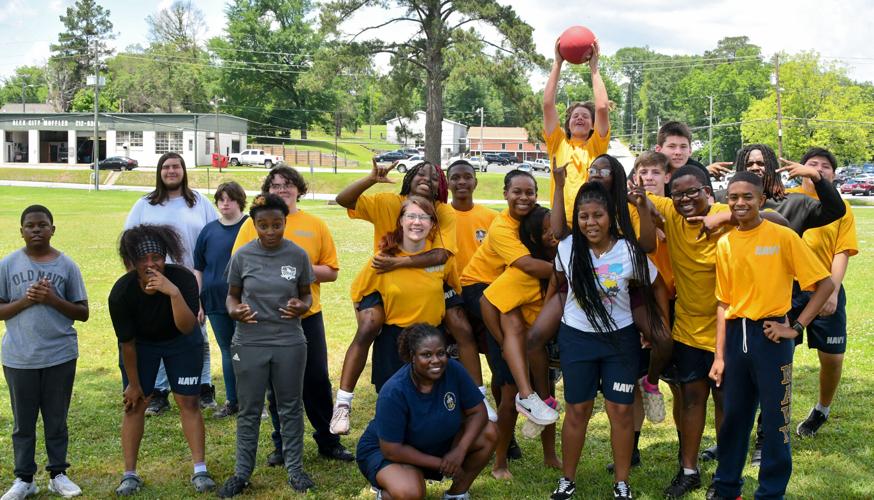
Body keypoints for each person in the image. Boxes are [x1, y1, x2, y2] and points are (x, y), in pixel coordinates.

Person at [332, 160, 488, 433]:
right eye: (419, 173)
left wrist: (400, 263)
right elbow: (343, 199)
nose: (426, 178)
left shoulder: (443, 212)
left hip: (429, 275)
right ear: (409, 178)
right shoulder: (388, 202)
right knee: (370, 326)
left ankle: (480, 398)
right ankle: (343, 403)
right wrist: (371, 179)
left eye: (433, 176)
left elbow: (441, 255)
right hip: (385, 278)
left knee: (460, 326)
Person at [709, 171, 834, 500]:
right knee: (734, 418)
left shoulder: (782, 237)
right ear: (727, 201)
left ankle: (770, 493)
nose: (740, 203)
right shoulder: (724, 244)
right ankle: (726, 488)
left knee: (776, 421)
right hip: (737, 337)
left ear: (761, 200)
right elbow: (723, 303)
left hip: (771, 338)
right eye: (733, 197)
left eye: (747, 197)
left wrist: (795, 326)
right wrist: (720, 356)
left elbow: (824, 285)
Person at [231, 166, 353, 463]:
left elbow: (332, 271)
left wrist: (295, 270)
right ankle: (281, 445)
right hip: (266, 320)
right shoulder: (252, 224)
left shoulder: (315, 224)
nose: (281, 189)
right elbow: (239, 266)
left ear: (299, 188)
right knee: (276, 385)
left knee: (315, 379)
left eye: (287, 184)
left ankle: (328, 440)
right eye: (275, 185)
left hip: (307, 316)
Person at [548, 181, 660, 500]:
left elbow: (650, 286)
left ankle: (621, 483)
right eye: (584, 216)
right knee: (578, 409)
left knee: (620, 410)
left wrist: (653, 330)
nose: (590, 223)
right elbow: (558, 285)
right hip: (577, 339)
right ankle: (567, 479)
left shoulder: (629, 250)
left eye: (597, 215)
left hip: (620, 341)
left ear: (610, 216)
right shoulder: (567, 248)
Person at [218, 194, 316, 497]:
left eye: (277, 224)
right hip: (248, 342)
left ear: (285, 222)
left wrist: (302, 306)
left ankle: (296, 470)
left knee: (290, 406)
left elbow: (307, 295)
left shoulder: (298, 255)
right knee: (248, 409)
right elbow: (232, 296)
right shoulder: (243, 256)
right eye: (263, 225)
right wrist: (234, 310)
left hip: (289, 341)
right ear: (254, 224)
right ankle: (241, 473)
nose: (270, 231)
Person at [109, 224, 215, 496]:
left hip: (181, 341)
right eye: (142, 259)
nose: (150, 264)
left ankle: (200, 470)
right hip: (141, 346)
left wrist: (173, 292)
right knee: (134, 405)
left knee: (188, 402)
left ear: (165, 256)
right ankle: (129, 475)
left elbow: (187, 327)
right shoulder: (121, 293)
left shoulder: (183, 279)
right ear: (130, 261)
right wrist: (133, 384)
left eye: (156, 257)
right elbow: (127, 344)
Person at [0, 205, 89, 500]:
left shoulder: (67, 266)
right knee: (22, 422)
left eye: (42, 225)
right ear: (21, 231)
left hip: (59, 355)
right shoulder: (7, 264)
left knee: (56, 418)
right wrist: (26, 300)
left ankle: (58, 474)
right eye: (30, 226)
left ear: (53, 229)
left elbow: (83, 311)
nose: (36, 230)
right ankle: (24, 479)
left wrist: (51, 298)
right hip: (19, 357)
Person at [356, 323, 497, 500]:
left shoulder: (453, 370)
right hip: (387, 452)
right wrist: (443, 463)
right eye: (426, 355)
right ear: (412, 357)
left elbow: (478, 412)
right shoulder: (394, 391)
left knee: (489, 433)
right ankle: (387, 491)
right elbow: (392, 449)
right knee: (411, 493)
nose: (436, 360)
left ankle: (456, 494)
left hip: (434, 444)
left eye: (441, 353)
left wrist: (460, 450)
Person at [124, 152, 218, 415]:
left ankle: (203, 387)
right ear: (159, 172)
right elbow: (129, 243)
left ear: (184, 171)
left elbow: (213, 235)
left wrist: (207, 279)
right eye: (166, 167)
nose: (171, 171)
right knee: (158, 335)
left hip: (192, 280)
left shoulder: (198, 201)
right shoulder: (145, 204)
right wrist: (138, 280)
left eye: (176, 166)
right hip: (153, 281)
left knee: (197, 334)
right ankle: (159, 392)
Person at [343, 196, 461, 394]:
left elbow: (454, 291)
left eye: (424, 217)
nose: (417, 222)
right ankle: (343, 403)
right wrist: (367, 322)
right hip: (394, 342)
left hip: (431, 339)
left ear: (432, 224)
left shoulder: (442, 259)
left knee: (432, 402)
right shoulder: (384, 260)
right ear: (401, 221)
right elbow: (358, 293)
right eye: (411, 216)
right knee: (393, 402)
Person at [787, 148, 857, 437]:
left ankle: (822, 410)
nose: (818, 169)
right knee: (779, 357)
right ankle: (771, 419)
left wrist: (832, 290)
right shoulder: (788, 199)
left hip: (825, 288)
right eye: (812, 164)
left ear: (833, 174)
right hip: (789, 290)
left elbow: (842, 250)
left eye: (825, 166)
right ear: (799, 170)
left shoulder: (840, 206)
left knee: (832, 357)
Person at [193, 182, 248, 419]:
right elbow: (199, 268)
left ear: (240, 201)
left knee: (247, 350)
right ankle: (233, 400)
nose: (225, 203)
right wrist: (198, 301)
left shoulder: (250, 226)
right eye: (221, 199)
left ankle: (256, 401)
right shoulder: (208, 231)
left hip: (244, 300)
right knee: (228, 351)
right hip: (214, 300)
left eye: (230, 199)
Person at [543, 35, 610, 225]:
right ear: (568, 123)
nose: (580, 118)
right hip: (561, 224)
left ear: (592, 126)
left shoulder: (596, 146)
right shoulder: (557, 143)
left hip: (591, 224)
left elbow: (602, 108)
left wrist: (594, 68)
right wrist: (557, 63)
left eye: (586, 116)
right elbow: (548, 104)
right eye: (575, 116)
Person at [654, 121, 733, 188]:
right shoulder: (649, 172)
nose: (678, 152)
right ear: (658, 150)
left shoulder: (699, 170)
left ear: (690, 150)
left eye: (683, 147)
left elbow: (709, 203)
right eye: (672, 146)